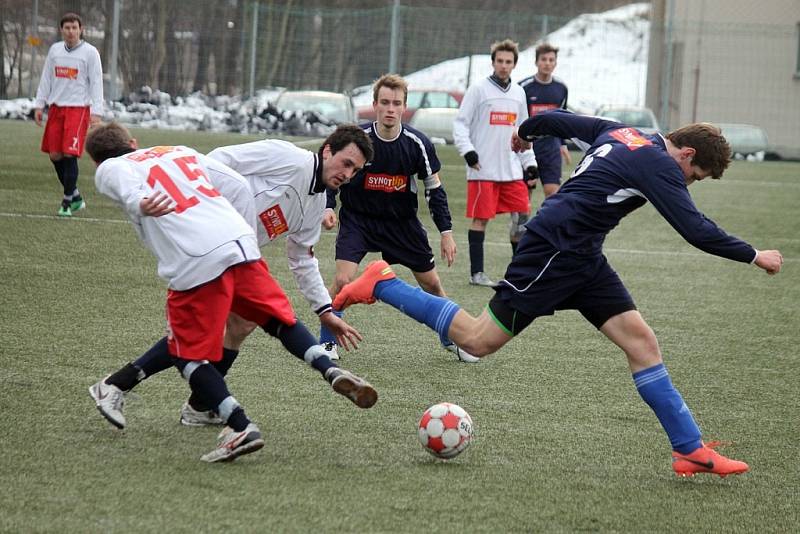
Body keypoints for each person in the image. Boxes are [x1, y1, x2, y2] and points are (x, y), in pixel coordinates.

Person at [332, 110, 784, 477]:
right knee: (476, 340)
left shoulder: (627, 133)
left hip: (583, 255)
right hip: (555, 248)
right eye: (696, 175)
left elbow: (562, 119)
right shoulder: (660, 165)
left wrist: (525, 132)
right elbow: (693, 227)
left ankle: (689, 449)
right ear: (685, 154)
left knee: (641, 342)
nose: (690, 183)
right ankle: (383, 284)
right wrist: (753, 254)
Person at [86, 122, 378, 462]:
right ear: (328, 149)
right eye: (346, 164)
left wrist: (325, 309)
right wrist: (227, 223)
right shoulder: (274, 156)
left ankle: (218, 414)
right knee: (250, 326)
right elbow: (230, 170)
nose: (349, 173)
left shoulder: (316, 203)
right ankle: (320, 371)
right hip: (231, 248)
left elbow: (302, 258)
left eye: (355, 170)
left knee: (201, 342)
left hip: (213, 251)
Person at [321, 74, 476, 363]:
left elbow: (434, 189)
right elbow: (332, 171)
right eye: (384, 103)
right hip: (359, 219)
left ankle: (450, 338)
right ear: (375, 105)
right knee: (343, 280)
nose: (390, 109)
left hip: (401, 224)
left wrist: (446, 231)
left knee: (432, 284)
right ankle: (327, 342)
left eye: (396, 103)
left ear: (405, 107)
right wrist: (328, 206)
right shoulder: (358, 140)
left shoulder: (418, 144)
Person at [453, 39, 538, 287]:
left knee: (522, 217)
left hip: (511, 170)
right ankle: (477, 274)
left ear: (514, 64)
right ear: (493, 62)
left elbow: (524, 132)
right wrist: (468, 151)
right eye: (499, 61)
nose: (503, 65)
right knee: (481, 220)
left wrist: (529, 162)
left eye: (508, 62)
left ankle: (519, 274)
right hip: (483, 171)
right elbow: (460, 124)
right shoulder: (478, 89)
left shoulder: (519, 93)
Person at [34, 12, 103, 217]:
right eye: (67, 28)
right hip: (56, 108)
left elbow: (97, 82)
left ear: (81, 30)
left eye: (74, 27)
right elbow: (46, 77)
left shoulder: (90, 53)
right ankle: (75, 196)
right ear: (61, 30)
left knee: (69, 154)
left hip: (78, 109)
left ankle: (66, 202)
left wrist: (96, 111)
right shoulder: (55, 50)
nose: (71, 31)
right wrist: (39, 104)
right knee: (55, 156)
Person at [518, 43, 571, 201]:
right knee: (525, 192)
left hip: (551, 149)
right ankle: (519, 226)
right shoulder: (523, 87)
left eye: (551, 60)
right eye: (543, 59)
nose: (547, 63)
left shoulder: (561, 88)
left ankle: (547, 225)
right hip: (528, 147)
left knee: (552, 192)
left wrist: (562, 144)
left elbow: (562, 119)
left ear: (555, 63)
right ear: (536, 62)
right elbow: (518, 118)